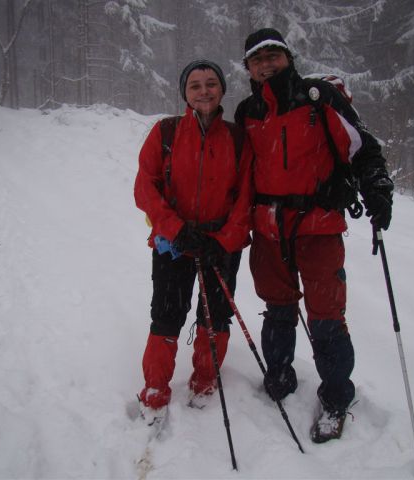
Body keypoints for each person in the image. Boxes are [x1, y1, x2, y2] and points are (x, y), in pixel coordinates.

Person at [234, 28, 394, 443]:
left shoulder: (318, 98)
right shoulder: (247, 111)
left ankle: (337, 398)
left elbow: (363, 148)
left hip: (318, 226)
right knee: (278, 309)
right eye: (257, 59)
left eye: (274, 55)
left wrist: (377, 190)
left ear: (288, 57)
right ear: (248, 67)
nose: (266, 64)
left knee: (326, 318)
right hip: (268, 229)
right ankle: (281, 373)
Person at [134, 59, 253, 427]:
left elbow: (246, 196)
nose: (204, 90)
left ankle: (204, 381)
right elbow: (145, 188)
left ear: (221, 89)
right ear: (185, 93)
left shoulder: (236, 137)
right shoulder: (165, 132)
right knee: (166, 315)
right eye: (195, 85)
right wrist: (175, 229)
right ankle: (155, 389)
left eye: (211, 83)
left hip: (219, 244)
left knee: (215, 316)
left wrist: (225, 241)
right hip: (175, 243)